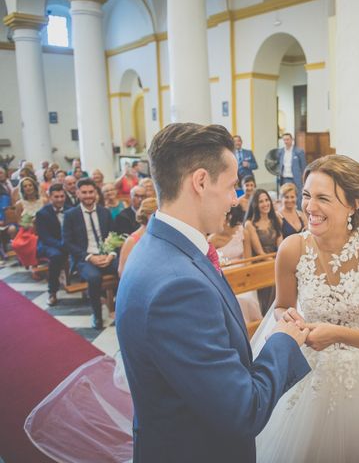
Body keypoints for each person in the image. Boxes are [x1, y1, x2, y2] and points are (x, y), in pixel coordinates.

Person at [116, 122, 311, 463]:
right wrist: (283, 339)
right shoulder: (178, 287)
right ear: (201, 181)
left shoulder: (156, 248)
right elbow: (243, 410)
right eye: (233, 186)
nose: (236, 199)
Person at [254, 154, 359, 462]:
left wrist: (337, 335)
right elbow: (281, 307)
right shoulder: (291, 250)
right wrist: (287, 318)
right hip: (307, 373)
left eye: (323, 198)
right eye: (306, 196)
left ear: (353, 205)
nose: (310, 207)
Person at [63, 178, 117, 329]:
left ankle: (121, 307)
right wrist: (90, 257)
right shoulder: (70, 215)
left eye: (91, 192)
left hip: (106, 255)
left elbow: (113, 235)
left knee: (125, 269)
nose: (88, 196)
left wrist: (111, 254)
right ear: (77, 193)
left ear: (96, 193)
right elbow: (67, 242)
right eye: (84, 192)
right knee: (94, 278)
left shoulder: (104, 212)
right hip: (84, 258)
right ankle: (97, 315)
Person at [208, 205, 262, 323]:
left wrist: (246, 277)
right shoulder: (213, 239)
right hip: (224, 276)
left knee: (247, 298)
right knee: (234, 300)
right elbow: (211, 265)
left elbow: (248, 261)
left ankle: (254, 326)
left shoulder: (242, 232)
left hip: (244, 274)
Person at [244, 188, 283, 315]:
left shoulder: (276, 219)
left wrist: (282, 261)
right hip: (262, 263)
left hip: (276, 260)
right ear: (255, 204)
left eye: (267, 200)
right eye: (261, 201)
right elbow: (259, 251)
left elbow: (280, 246)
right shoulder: (250, 224)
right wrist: (276, 264)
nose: (265, 204)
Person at [35, 183, 68, 306]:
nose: (60, 199)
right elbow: (45, 237)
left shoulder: (70, 209)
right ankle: (52, 291)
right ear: (50, 197)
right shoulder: (42, 213)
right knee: (56, 256)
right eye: (56, 197)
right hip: (48, 244)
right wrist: (62, 245)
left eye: (62, 196)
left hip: (65, 242)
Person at [118, 197, 157, 277]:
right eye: (155, 214)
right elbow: (122, 272)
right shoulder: (132, 241)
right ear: (147, 215)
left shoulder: (158, 235)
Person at [12, 176, 44, 268]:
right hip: (27, 230)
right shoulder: (19, 204)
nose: (28, 188)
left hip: (43, 228)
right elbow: (19, 221)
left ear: (34, 186)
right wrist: (29, 223)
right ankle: (33, 265)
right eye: (25, 186)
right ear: (22, 189)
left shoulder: (43, 201)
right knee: (23, 242)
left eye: (30, 185)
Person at [277, 133, 306, 208]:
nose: (286, 141)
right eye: (284, 140)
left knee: (298, 197)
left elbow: (304, 167)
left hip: (296, 178)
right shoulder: (280, 152)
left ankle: (299, 213)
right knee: (285, 195)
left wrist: (304, 179)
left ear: (292, 140)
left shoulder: (299, 151)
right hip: (284, 178)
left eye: (287, 139)